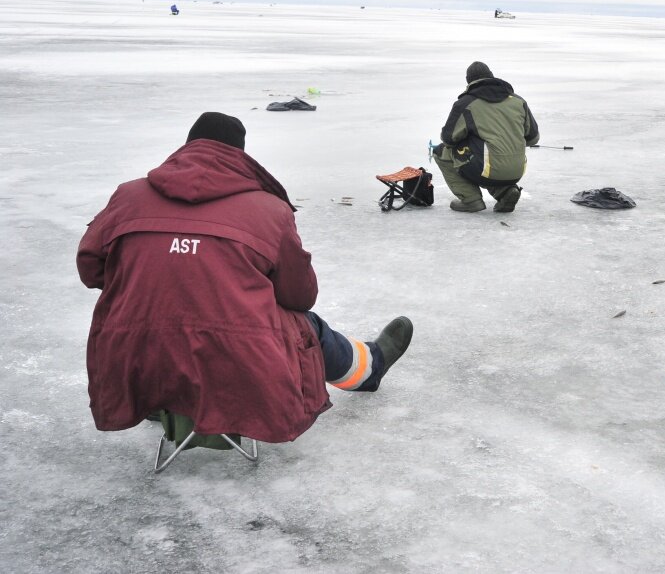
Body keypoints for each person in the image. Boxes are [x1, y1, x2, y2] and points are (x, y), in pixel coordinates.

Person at [77, 112, 413, 444]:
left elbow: (90, 268)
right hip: (239, 367)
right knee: (304, 325)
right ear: (239, 155)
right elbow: (300, 295)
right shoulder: (268, 209)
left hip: (134, 359)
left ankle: (162, 400)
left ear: (187, 146)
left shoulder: (127, 196)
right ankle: (369, 368)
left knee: (149, 312)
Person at [432, 61, 539, 213]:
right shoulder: (518, 101)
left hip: (487, 168)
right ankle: (506, 191)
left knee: (441, 151)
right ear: (491, 76)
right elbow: (533, 138)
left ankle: (471, 200)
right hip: (517, 170)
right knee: (486, 157)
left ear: (469, 81)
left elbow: (448, 138)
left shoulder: (466, 103)